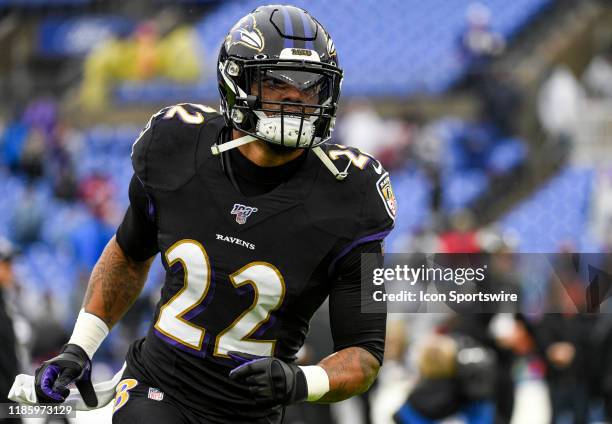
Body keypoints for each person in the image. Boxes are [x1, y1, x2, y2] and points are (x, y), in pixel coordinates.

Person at [30, 5, 396, 424]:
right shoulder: (176, 146)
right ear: (235, 81)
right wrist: (81, 345)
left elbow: (365, 355)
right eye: (277, 83)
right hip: (159, 386)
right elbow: (130, 254)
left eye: (311, 87)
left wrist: (301, 381)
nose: (296, 100)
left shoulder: (354, 196)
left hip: (251, 413)